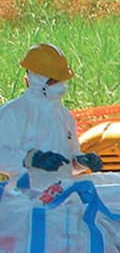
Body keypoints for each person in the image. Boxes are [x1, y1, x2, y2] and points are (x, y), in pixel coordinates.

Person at [0, 43, 103, 177]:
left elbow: (68, 165)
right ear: (36, 81)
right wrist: (31, 159)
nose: (61, 85)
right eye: (54, 81)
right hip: (26, 194)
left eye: (62, 80)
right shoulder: (12, 114)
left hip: (62, 191)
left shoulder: (64, 115)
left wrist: (81, 162)